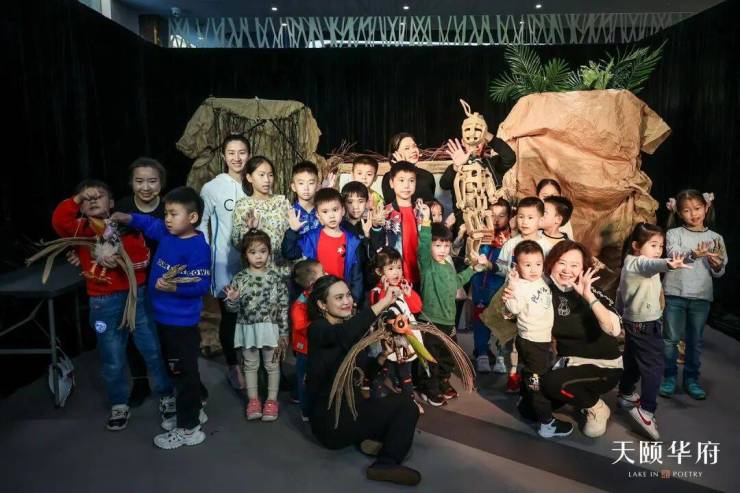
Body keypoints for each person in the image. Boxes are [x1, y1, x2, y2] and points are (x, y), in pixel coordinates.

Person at [53, 180, 173, 432]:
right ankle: (118, 402)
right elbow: (59, 221)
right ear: (81, 207)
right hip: (102, 302)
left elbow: (143, 261)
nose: (92, 200)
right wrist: (77, 198)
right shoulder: (82, 230)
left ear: (111, 203)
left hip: (136, 297)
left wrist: (118, 259)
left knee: (152, 349)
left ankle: (167, 395)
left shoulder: (126, 228)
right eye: (87, 199)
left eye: (98, 196)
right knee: (112, 357)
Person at [112, 186, 211, 449]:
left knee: (183, 373)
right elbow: (149, 223)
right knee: (177, 369)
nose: (167, 218)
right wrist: (128, 217)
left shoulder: (198, 248)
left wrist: (175, 287)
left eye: (174, 214)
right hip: (164, 319)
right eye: (166, 213)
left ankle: (189, 428)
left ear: (192, 217)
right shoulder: (167, 233)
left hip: (181, 324)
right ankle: (194, 409)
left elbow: (202, 286)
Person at [306, 275, 422, 486]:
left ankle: (366, 440)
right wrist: (383, 302)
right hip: (331, 423)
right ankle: (385, 464)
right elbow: (342, 335)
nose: (347, 301)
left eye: (348, 295)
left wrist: (382, 356)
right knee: (407, 407)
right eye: (339, 298)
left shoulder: (348, 328)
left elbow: (363, 373)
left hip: (354, 410)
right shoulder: (318, 330)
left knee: (400, 403)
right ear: (322, 305)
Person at [533, 241, 623, 438]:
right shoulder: (544, 291)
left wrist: (589, 297)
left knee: (551, 384)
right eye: (561, 263)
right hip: (568, 363)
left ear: (583, 268)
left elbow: (613, 329)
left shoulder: (593, 290)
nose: (567, 270)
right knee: (530, 409)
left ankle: (596, 407)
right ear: (551, 263)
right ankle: (577, 392)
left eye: (574, 265)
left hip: (603, 366)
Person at [616, 223, 691, 440]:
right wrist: (668, 263)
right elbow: (652, 263)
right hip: (644, 324)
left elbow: (621, 291)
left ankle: (626, 393)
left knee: (632, 359)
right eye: (653, 245)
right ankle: (646, 411)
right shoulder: (639, 263)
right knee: (655, 365)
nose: (658, 250)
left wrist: (692, 256)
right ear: (636, 245)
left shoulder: (630, 263)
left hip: (636, 322)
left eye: (661, 246)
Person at [415, 201, 489, 406]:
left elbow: (457, 282)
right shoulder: (427, 265)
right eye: (437, 245)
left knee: (447, 356)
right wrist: (426, 221)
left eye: (446, 245)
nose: (443, 249)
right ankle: (428, 388)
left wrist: (474, 269)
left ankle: (442, 382)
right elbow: (423, 245)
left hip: (449, 322)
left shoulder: (447, 266)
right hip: (430, 321)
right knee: (430, 358)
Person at [661, 190, 727, 400]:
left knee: (695, 341)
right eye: (687, 211)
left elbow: (720, 270)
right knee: (670, 339)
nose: (693, 214)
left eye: (697, 208)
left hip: (701, 296)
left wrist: (716, 265)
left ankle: (691, 379)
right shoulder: (674, 234)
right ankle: (669, 377)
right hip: (675, 293)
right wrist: (692, 254)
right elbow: (673, 256)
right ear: (679, 213)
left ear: (706, 208)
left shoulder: (715, 238)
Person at [503, 240, 572, 438]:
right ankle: (546, 423)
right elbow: (513, 308)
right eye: (527, 265)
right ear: (517, 266)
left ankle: (525, 402)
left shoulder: (540, 279)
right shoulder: (520, 286)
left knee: (534, 373)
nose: (533, 269)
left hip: (542, 340)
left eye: (538, 264)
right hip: (531, 341)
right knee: (537, 381)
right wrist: (512, 285)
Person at [198, 135, 249, 390]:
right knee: (230, 317)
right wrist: (206, 257)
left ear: (249, 155)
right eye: (231, 153)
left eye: (242, 152)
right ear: (224, 156)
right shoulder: (212, 188)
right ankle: (233, 366)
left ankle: (258, 365)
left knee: (254, 317)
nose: (237, 158)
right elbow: (201, 224)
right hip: (224, 264)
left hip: (254, 264)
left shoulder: (256, 182)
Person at [224, 229, 289, 422]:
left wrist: (284, 332)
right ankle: (253, 400)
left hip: (271, 329)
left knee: (272, 365)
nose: (258, 256)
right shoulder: (240, 278)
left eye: (263, 251)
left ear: (269, 252)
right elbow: (231, 309)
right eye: (253, 252)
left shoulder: (276, 278)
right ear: (245, 254)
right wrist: (232, 300)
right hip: (247, 328)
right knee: (250, 365)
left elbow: (283, 307)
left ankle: (271, 401)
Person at [493, 196, 550, 391]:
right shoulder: (510, 244)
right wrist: (491, 267)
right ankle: (513, 373)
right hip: (513, 299)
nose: (525, 222)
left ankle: (532, 375)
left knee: (532, 341)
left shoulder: (547, 246)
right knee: (511, 340)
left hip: (535, 304)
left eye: (530, 218)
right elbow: (501, 268)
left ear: (541, 220)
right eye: (521, 217)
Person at [282, 188, 364, 302]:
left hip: (342, 298)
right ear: (318, 215)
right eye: (325, 212)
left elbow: (357, 276)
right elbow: (289, 253)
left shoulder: (352, 241)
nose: (331, 216)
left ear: (343, 211)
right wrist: (293, 231)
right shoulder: (312, 238)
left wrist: (354, 300)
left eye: (335, 210)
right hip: (317, 297)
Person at [367, 247, 424, 412]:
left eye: (399, 267)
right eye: (391, 268)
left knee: (405, 372)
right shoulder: (377, 292)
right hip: (387, 342)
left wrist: (409, 294)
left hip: (405, 339)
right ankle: (378, 399)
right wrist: (386, 293)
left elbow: (417, 308)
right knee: (385, 370)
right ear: (379, 272)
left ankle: (409, 402)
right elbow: (378, 309)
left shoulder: (403, 287)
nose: (396, 272)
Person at [441, 134, 516, 230]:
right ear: (463, 142)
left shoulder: (492, 164)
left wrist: (487, 135)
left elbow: (510, 157)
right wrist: (456, 167)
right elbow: (444, 184)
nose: (475, 145)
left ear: (485, 142)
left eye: (479, 141)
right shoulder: (457, 167)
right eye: (470, 141)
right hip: (466, 225)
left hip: (494, 224)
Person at [231, 155, 292, 274]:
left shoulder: (282, 202)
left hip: (283, 270)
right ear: (249, 177)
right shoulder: (243, 206)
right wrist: (249, 230)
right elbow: (237, 243)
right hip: (257, 272)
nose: (267, 180)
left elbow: (291, 235)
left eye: (270, 175)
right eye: (262, 175)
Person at [471, 198, 511, 373]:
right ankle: (482, 354)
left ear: (509, 217)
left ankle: (501, 356)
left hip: (501, 287)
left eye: (502, 215)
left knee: (502, 322)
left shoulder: (512, 240)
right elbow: (470, 256)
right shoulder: (480, 235)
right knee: (480, 320)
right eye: (492, 215)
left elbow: (510, 267)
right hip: (480, 286)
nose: (496, 220)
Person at [289, 259, 326, 420]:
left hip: (317, 346)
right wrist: (321, 325)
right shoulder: (300, 304)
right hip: (305, 349)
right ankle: (305, 409)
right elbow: (301, 326)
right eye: (322, 272)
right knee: (304, 378)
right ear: (312, 282)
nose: (326, 273)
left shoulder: (320, 296)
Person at [382, 161, 422, 286]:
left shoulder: (421, 211)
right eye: (401, 180)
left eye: (411, 181)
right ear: (391, 183)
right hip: (395, 276)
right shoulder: (385, 213)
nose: (406, 185)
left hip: (420, 272)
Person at [381, 133, 436, 203]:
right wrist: (402, 168)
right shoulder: (388, 177)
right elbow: (392, 202)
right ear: (395, 154)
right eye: (407, 148)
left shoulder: (427, 175)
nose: (413, 150)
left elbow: (430, 202)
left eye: (414, 146)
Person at [290, 160, 322, 235]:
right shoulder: (290, 214)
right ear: (293, 187)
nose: (306, 188)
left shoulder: (324, 211)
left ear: (318, 185)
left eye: (311, 183)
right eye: (301, 183)